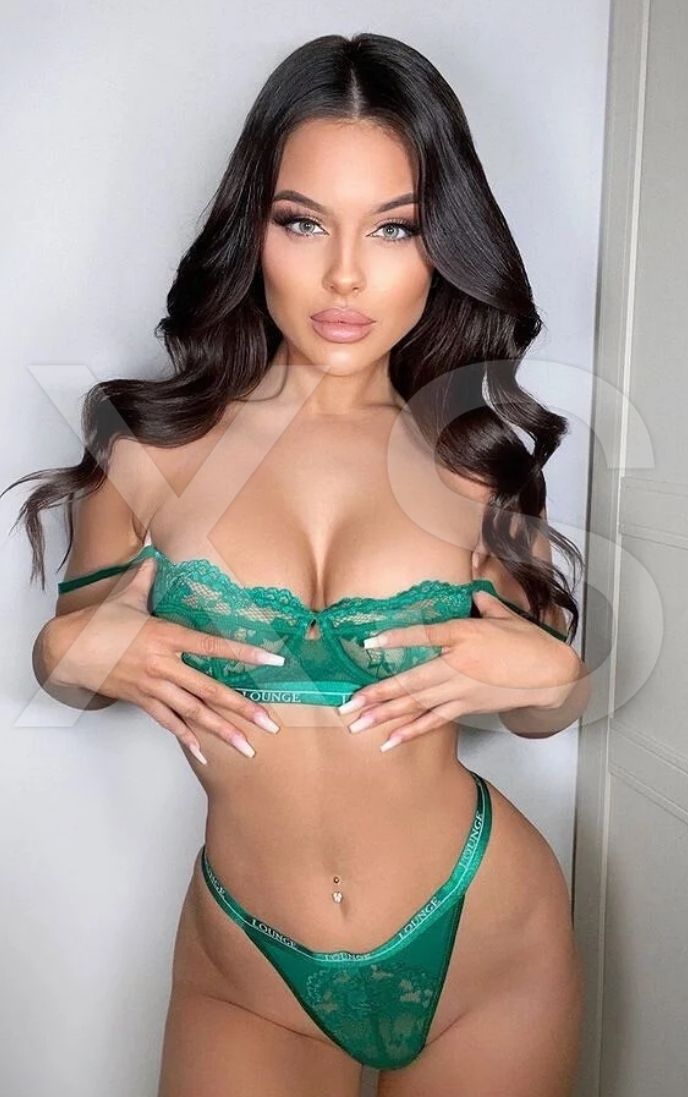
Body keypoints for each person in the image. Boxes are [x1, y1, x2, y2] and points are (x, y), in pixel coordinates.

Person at [9, 32, 591, 1097]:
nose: (345, 274)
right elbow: (77, 674)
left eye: (395, 227)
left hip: (487, 943)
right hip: (250, 965)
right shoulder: (149, 451)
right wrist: (65, 648)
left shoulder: (475, 464)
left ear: (442, 246)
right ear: (254, 230)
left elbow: (535, 712)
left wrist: (557, 676)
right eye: (303, 221)